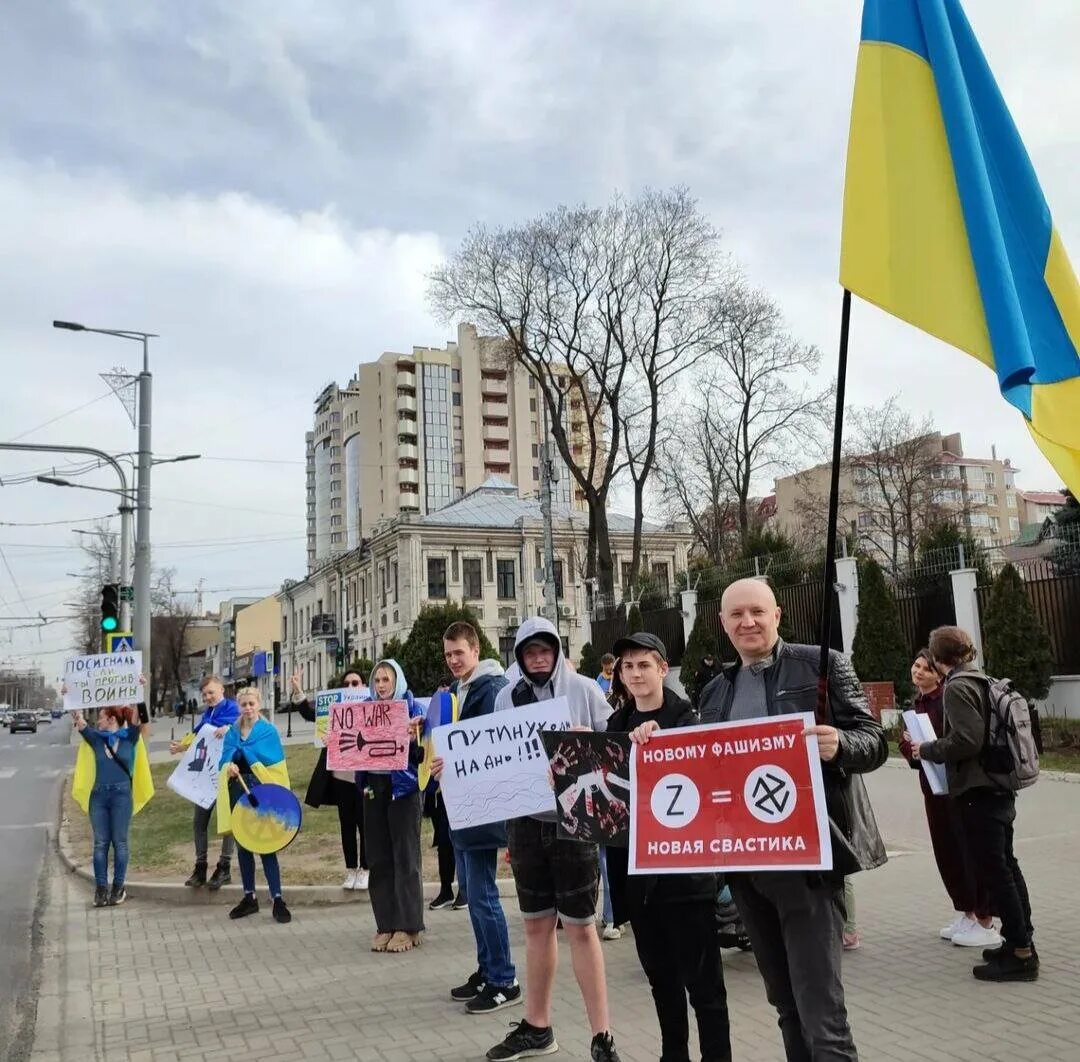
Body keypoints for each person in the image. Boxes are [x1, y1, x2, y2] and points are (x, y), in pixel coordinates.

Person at [698, 578, 888, 1062]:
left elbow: (874, 740)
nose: (748, 622)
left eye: (757, 612)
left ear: (777, 615)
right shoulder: (717, 691)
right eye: (737, 615)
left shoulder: (820, 665)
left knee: (821, 1015)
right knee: (784, 1005)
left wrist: (840, 745)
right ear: (723, 624)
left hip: (808, 865)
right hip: (746, 870)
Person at [489, 616, 620, 1062]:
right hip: (526, 824)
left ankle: (602, 1035)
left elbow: (616, 744)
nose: (538, 658)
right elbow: (492, 758)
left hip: (575, 820)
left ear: (558, 651)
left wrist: (592, 740)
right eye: (530, 652)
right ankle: (537, 1025)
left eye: (545, 650)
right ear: (520, 657)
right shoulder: (507, 697)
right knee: (535, 925)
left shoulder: (584, 690)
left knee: (582, 927)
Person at [615, 633, 732, 1062]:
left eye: (643, 665)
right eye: (627, 667)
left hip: (687, 879)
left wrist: (662, 740)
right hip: (642, 882)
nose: (635, 673)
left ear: (663, 668)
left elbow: (707, 783)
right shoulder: (618, 725)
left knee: (704, 987)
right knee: (661, 981)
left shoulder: (688, 719)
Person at [908, 626, 1037, 982]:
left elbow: (966, 741)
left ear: (938, 658)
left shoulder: (957, 687)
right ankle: (1019, 941)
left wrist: (928, 749)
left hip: (978, 792)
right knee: (1006, 867)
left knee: (997, 872)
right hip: (998, 787)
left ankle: (1022, 954)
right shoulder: (980, 679)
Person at [430, 621, 519, 1017]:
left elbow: (485, 745)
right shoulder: (461, 690)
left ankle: (504, 980)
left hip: (482, 807)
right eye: (448, 654)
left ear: (475, 650)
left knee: (483, 897)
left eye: (458, 653)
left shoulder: (491, 689)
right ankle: (487, 971)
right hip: (463, 807)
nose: (452, 660)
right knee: (472, 893)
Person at [899, 649, 997, 947]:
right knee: (948, 853)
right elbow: (912, 752)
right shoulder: (916, 703)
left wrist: (925, 747)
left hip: (955, 787)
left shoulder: (947, 699)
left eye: (926, 669)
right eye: (915, 666)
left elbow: (957, 742)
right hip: (932, 787)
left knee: (967, 852)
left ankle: (986, 919)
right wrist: (911, 748)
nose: (918, 672)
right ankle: (966, 913)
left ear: (938, 674)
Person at [70, 676, 154, 908]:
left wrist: (140, 690)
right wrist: (70, 697)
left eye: (102, 718)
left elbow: (142, 719)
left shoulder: (129, 736)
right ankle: (100, 889)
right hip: (99, 796)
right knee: (100, 843)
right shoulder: (96, 739)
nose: (98, 722)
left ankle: (118, 887)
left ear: (112, 719)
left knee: (120, 842)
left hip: (121, 796)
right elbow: (78, 720)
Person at [364, 658, 425, 954]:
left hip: (404, 790)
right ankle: (385, 924)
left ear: (397, 681)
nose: (381, 686)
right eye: (377, 681)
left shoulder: (415, 710)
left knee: (405, 858)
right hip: (372, 789)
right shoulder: (363, 710)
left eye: (386, 680)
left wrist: (414, 737)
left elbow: (425, 754)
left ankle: (409, 925)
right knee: (378, 858)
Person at [288, 667, 370, 890]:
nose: (351, 687)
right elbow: (309, 713)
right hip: (340, 776)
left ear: (364, 686)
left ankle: (365, 869)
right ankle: (351, 869)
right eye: (347, 684)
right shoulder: (333, 710)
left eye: (356, 683)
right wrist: (298, 691)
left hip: (363, 778)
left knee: (365, 824)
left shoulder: (371, 708)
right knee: (346, 825)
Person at [217, 686, 292, 924]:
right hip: (238, 790)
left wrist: (248, 760)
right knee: (243, 845)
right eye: (244, 704)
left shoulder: (268, 731)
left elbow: (275, 766)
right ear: (238, 707)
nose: (248, 708)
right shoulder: (232, 733)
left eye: (252, 704)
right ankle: (249, 896)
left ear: (259, 704)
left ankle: (277, 897)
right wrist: (229, 766)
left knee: (266, 843)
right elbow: (224, 758)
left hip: (262, 791)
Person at [170, 675, 240, 890]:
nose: (208, 697)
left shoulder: (233, 708)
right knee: (199, 822)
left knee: (226, 823)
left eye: (211, 692)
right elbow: (198, 733)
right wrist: (182, 746)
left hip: (227, 773)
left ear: (221, 689)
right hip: (206, 776)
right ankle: (200, 867)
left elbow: (241, 726)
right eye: (205, 694)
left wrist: (227, 729)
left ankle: (224, 867)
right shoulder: (208, 713)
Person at [594, 653, 620, 940]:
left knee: (607, 858)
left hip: (616, 788)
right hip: (602, 786)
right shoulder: (597, 684)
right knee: (602, 858)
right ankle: (611, 916)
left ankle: (614, 916)